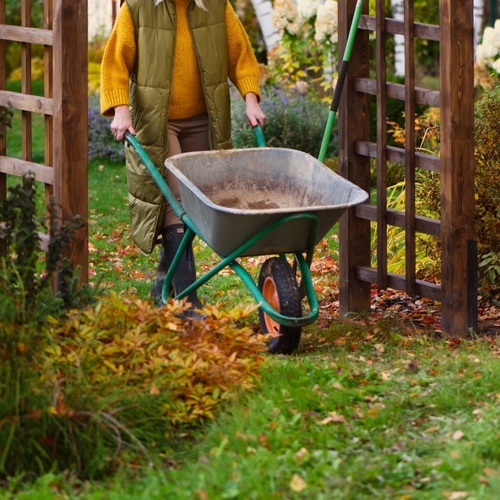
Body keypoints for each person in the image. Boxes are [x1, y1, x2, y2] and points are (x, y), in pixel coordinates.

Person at [100, 0, 266, 316]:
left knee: (195, 203)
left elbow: (241, 56)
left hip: (205, 118)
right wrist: (121, 110)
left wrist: (251, 100)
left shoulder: (216, 6)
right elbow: (116, 61)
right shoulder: (138, 7)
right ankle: (188, 301)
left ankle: (164, 283)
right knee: (176, 203)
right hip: (159, 121)